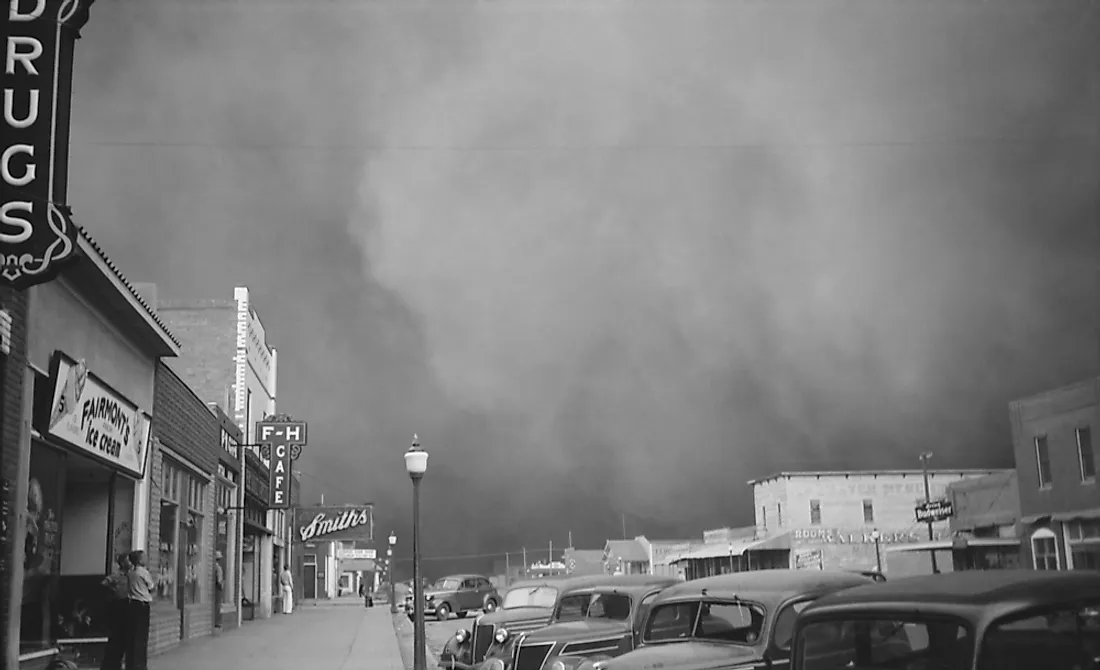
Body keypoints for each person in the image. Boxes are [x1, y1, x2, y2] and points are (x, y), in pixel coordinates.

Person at [99, 553, 131, 670]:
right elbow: (104, 583)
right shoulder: (117, 575)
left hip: (128, 606)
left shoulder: (131, 575)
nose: (130, 563)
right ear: (122, 563)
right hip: (119, 606)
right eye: (128, 560)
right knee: (117, 637)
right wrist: (114, 591)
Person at [126, 550, 154, 670]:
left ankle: (131, 664)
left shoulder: (130, 572)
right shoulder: (143, 572)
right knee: (142, 637)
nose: (146, 559)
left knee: (133, 636)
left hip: (132, 605)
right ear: (139, 560)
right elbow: (151, 586)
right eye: (144, 557)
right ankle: (140, 665)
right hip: (142, 605)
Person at [213, 551, 224, 627]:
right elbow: (219, 580)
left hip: (214, 588)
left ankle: (215, 621)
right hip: (217, 588)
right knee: (217, 605)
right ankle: (216, 622)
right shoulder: (218, 568)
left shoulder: (212, 567)